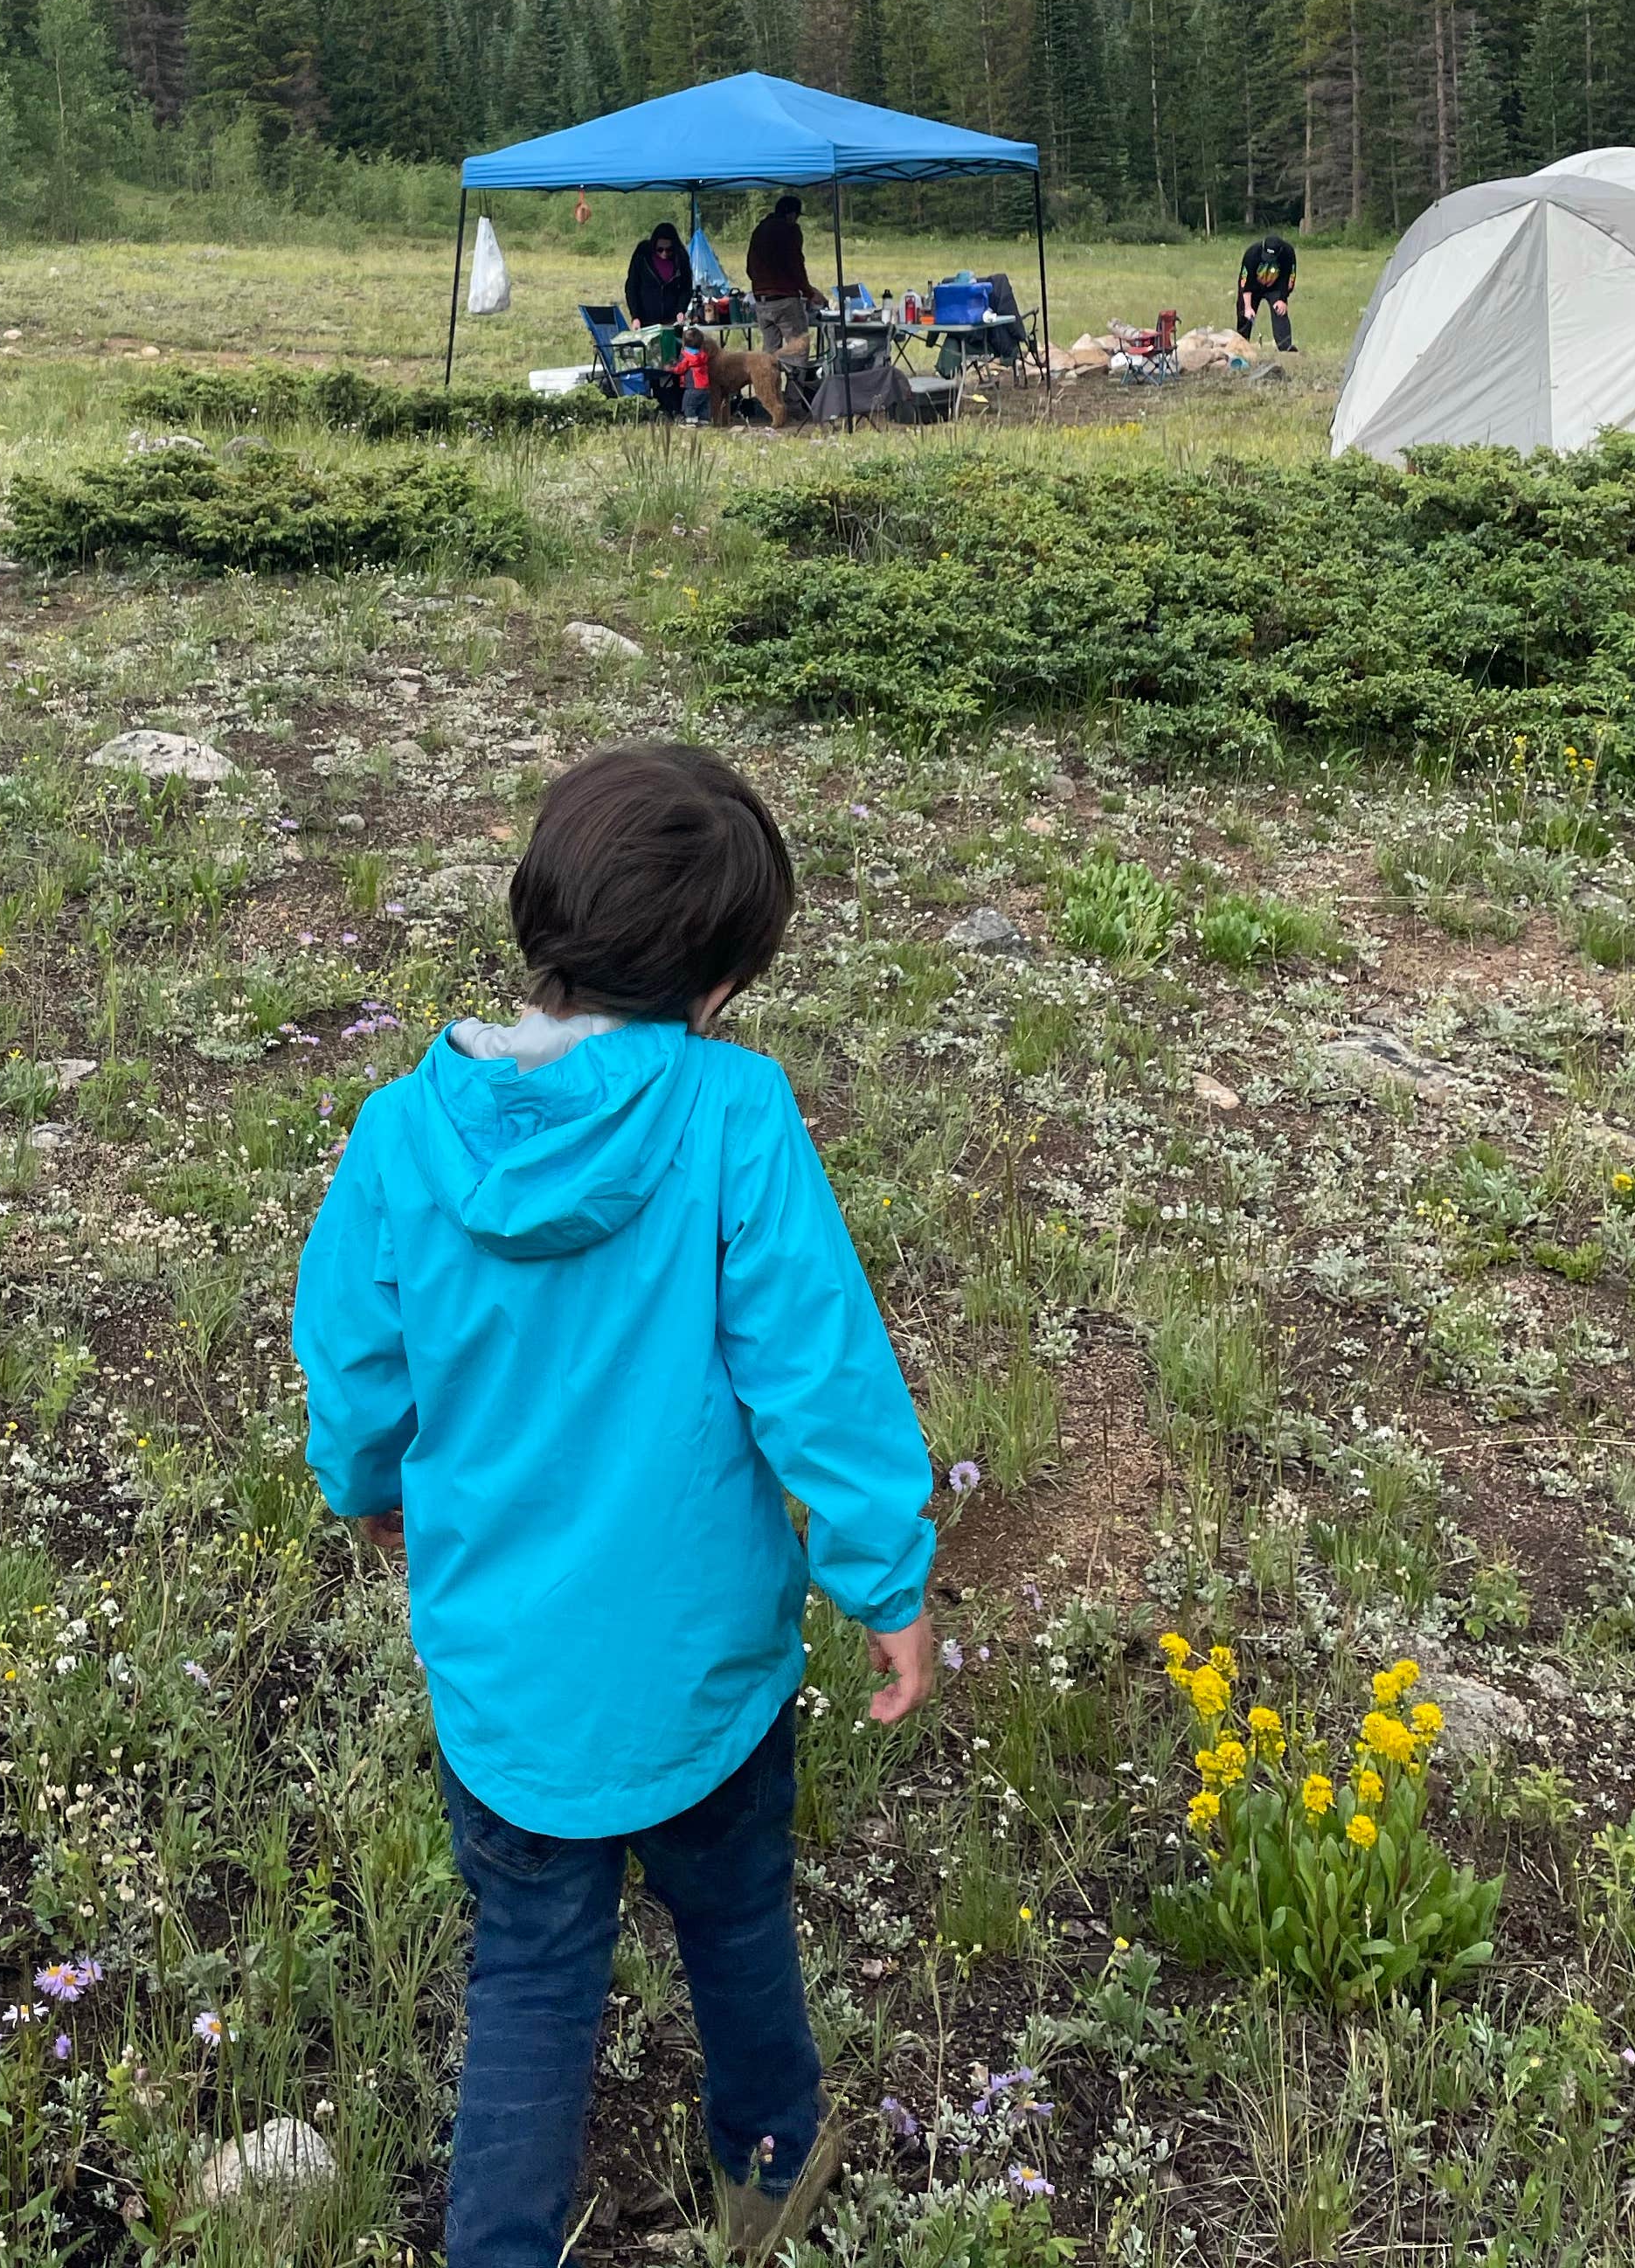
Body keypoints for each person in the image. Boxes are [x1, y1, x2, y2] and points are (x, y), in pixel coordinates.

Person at [293, 745, 936, 2268]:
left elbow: (357, 1365)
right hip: (706, 1669)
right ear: (719, 982)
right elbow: (820, 1373)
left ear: (541, 910)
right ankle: (765, 2174)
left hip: (505, 1681)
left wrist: (367, 1491)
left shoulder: (400, 1132)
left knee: (528, 1971)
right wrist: (884, 1577)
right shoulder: (733, 1113)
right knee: (735, 1918)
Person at [743, 191, 827, 382]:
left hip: (761, 301)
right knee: (798, 351)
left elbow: (750, 269)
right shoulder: (790, 230)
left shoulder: (759, 230)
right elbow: (795, 264)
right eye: (796, 216)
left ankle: (768, 395)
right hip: (784, 300)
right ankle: (794, 397)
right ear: (791, 214)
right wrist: (809, 292)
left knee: (769, 356)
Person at [625, 218, 696, 331]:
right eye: (660, 249)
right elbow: (632, 287)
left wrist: (681, 310)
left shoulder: (681, 257)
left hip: (672, 321)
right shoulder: (642, 256)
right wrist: (635, 316)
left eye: (669, 249)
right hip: (646, 321)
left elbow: (686, 288)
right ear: (654, 246)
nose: (664, 253)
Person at [1237, 229, 1298, 350]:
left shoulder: (1288, 252)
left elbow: (1289, 277)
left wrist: (1283, 299)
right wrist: (1248, 307)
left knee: (1280, 311)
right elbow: (1245, 282)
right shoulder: (1252, 253)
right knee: (1244, 313)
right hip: (1253, 286)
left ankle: (1285, 347)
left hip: (1276, 287)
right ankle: (1242, 344)